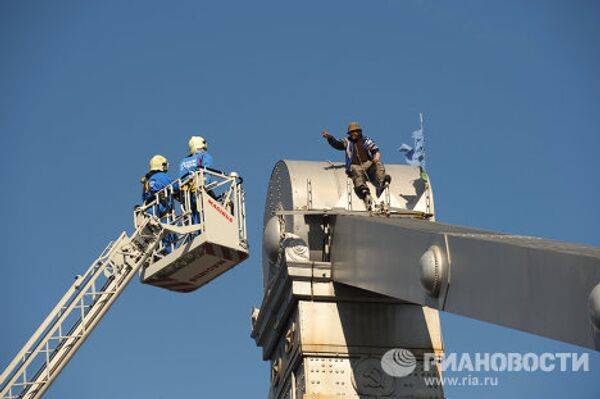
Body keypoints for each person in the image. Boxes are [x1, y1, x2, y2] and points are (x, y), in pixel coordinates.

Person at [322, 121, 390, 208]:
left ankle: (382, 182)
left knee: (379, 165)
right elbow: (337, 144)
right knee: (356, 173)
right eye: (351, 132)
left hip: (367, 163)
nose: (353, 133)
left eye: (355, 131)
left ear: (359, 132)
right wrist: (329, 138)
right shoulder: (347, 141)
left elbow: (375, 150)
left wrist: (376, 158)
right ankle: (364, 193)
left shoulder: (366, 141)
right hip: (355, 165)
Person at [140, 154, 176, 252]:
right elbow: (176, 187)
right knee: (169, 240)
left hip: (150, 215)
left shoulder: (147, 181)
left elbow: (144, 198)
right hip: (163, 215)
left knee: (155, 243)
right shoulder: (161, 176)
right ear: (162, 165)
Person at [179, 136, 214, 225]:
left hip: (186, 194)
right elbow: (206, 172)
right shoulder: (204, 156)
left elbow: (181, 177)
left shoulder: (184, 161)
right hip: (198, 191)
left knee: (191, 218)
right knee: (203, 216)